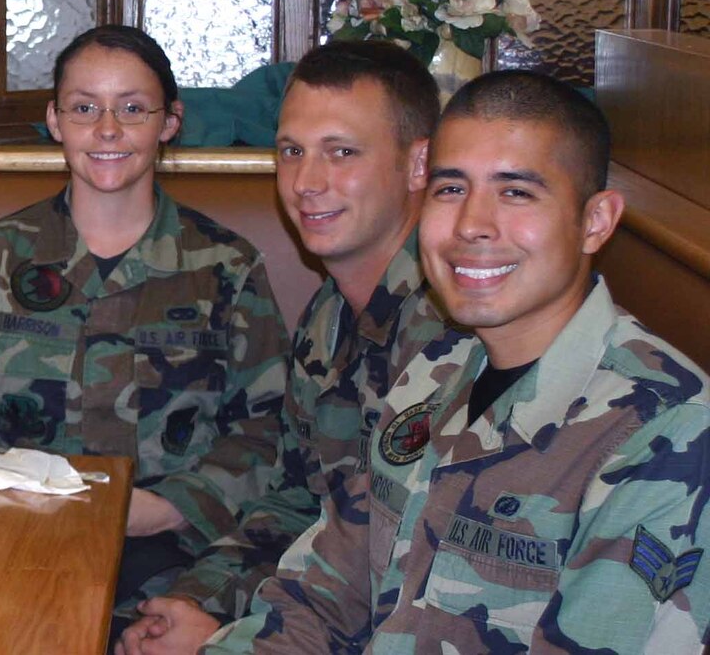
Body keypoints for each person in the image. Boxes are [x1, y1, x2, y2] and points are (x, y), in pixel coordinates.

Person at [207, 70, 710, 652]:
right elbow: (317, 597)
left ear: (594, 221)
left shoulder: (666, 433)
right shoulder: (440, 369)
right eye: (450, 189)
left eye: (516, 191)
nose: (472, 224)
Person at [0, 24, 289, 630]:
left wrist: (164, 509)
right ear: (56, 121)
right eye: (85, 108)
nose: (107, 130)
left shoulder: (226, 266)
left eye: (133, 109)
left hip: (180, 556)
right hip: (12, 546)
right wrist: (18, 504)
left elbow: (267, 431)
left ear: (169, 122)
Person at [117, 41, 447, 655]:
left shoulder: (453, 330)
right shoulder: (329, 314)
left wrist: (232, 635)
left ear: (418, 163)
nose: (307, 182)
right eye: (292, 151)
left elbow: (400, 569)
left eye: (341, 153)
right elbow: (299, 501)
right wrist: (199, 600)